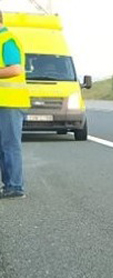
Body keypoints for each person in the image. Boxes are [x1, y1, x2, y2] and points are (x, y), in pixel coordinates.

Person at [0, 10, 30, 199]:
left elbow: (15, 68)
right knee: (4, 145)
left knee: (10, 145)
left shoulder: (7, 39)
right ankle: (9, 185)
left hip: (10, 102)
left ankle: (15, 186)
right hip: (4, 102)